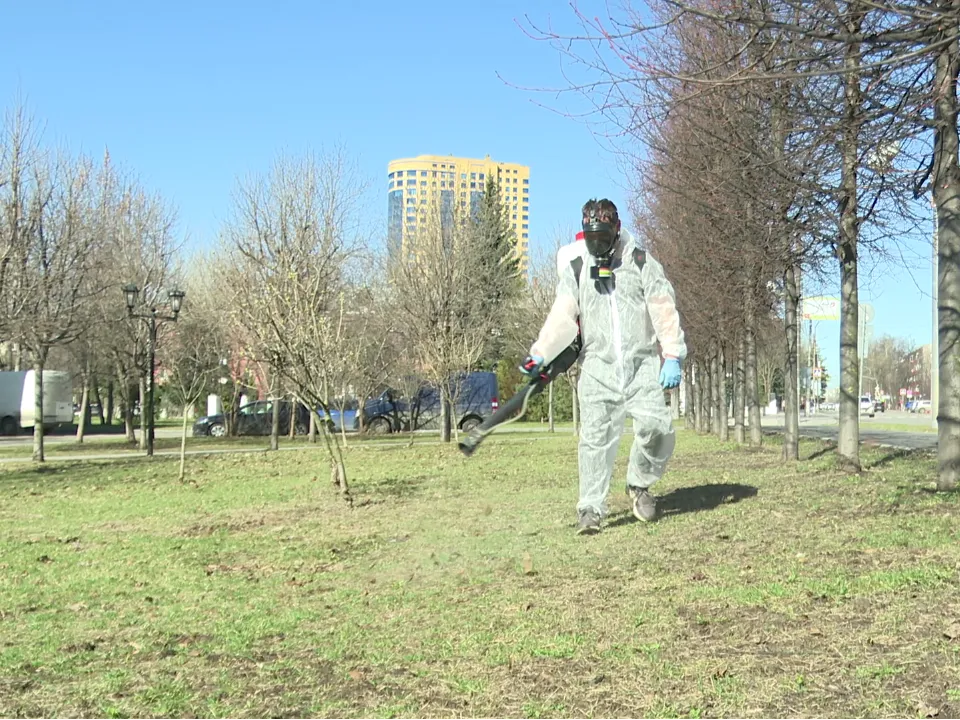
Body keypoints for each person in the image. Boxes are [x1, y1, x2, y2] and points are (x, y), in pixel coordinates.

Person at [520, 198, 686, 535]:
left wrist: (672, 354)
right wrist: (540, 353)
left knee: (658, 429)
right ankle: (591, 509)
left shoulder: (640, 262)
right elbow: (563, 315)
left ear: (617, 230)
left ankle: (638, 484)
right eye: (592, 239)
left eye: (604, 239)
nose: (599, 247)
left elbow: (663, 307)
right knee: (594, 440)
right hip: (597, 368)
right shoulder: (578, 269)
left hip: (640, 366)